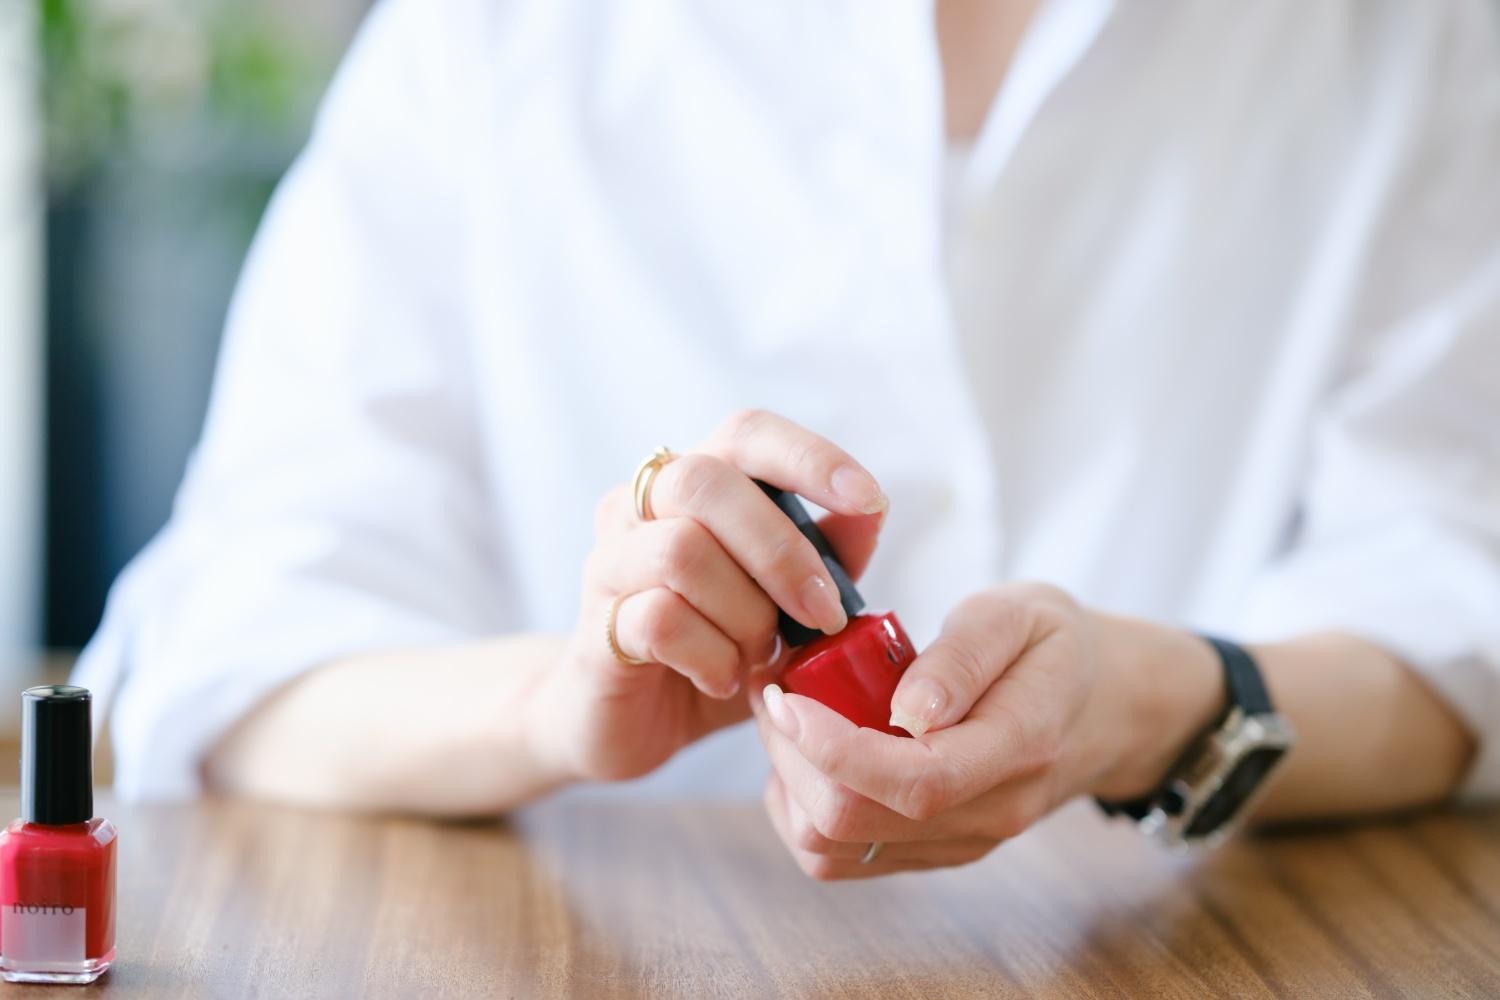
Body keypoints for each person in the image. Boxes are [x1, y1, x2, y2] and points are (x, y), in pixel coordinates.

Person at [76, 0, 1500, 878]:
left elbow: (1454, 620)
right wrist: (561, 705)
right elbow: (234, 662)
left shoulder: (1409, 33)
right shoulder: (487, 38)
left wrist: (1139, 703)